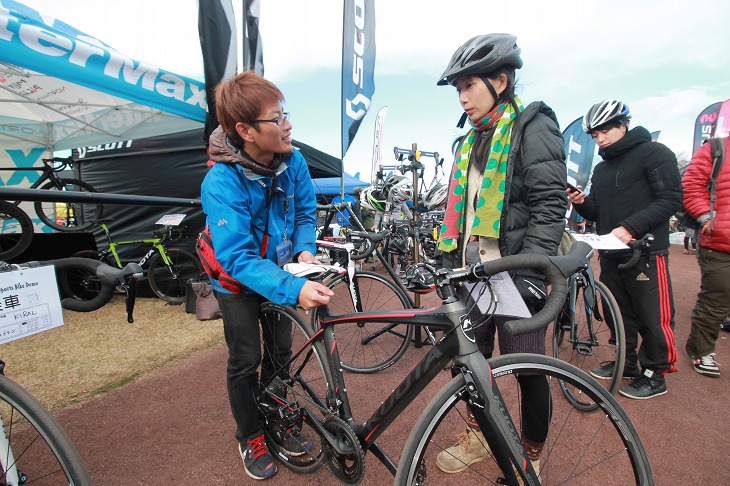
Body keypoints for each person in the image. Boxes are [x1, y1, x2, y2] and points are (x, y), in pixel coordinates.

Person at [434, 33, 568, 474]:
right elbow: (462, 212)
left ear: (502, 80)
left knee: (529, 368)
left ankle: (531, 455)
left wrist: (533, 266)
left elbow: (549, 204)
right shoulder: (468, 141)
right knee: (469, 362)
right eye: (457, 90)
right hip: (473, 272)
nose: (462, 98)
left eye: (468, 85)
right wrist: (446, 261)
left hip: (514, 269)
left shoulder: (532, 126)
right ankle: (479, 436)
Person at [199, 71, 334, 480]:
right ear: (245, 131)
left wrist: (305, 249)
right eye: (277, 118)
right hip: (235, 282)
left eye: (285, 113)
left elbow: (306, 214)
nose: (288, 124)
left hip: (278, 273)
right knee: (246, 360)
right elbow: (236, 258)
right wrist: (293, 286)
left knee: (279, 353)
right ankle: (250, 435)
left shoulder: (293, 162)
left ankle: (277, 418)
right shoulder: (220, 181)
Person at [569, 99, 683, 399]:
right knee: (617, 313)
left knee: (652, 315)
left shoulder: (655, 153)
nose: (600, 138)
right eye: (594, 135)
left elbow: (671, 198)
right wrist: (583, 202)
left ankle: (656, 373)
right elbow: (598, 213)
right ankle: (628, 362)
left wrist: (631, 227)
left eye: (605, 130)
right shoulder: (603, 168)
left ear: (623, 124)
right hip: (611, 252)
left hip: (645, 251)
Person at [683, 135, 729, 378]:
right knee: (716, 299)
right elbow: (690, 184)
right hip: (720, 242)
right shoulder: (716, 148)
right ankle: (702, 350)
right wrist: (706, 217)